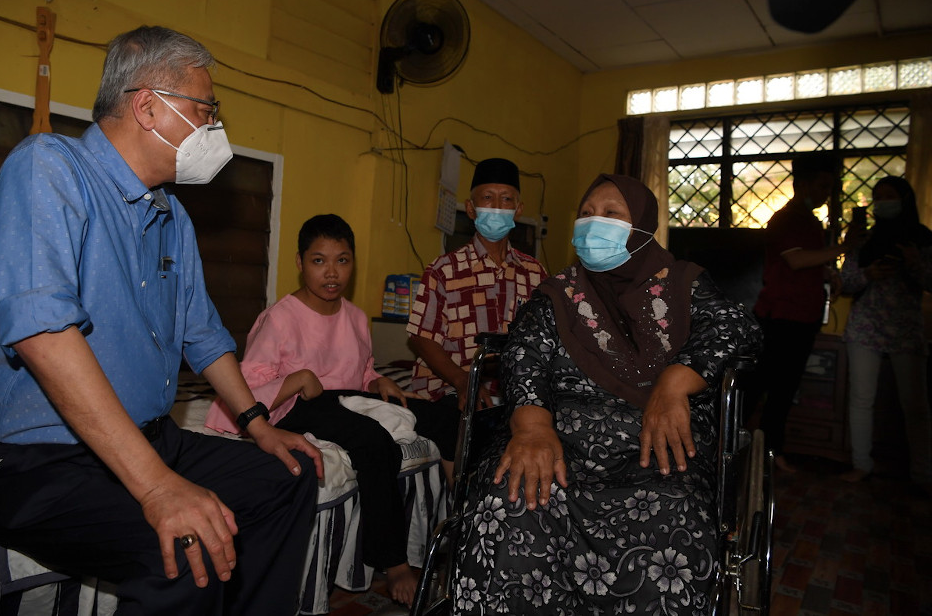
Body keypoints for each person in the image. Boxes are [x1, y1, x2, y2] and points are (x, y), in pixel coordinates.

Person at [0, 26, 324, 615]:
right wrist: (156, 485)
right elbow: (43, 334)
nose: (214, 128)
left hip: (146, 439)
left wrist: (259, 425)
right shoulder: (48, 169)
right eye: (205, 110)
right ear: (148, 107)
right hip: (28, 461)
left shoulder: (173, 218)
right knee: (184, 550)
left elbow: (204, 336)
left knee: (286, 479)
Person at [450, 174, 761, 615]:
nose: (594, 223)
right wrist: (533, 425)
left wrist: (674, 382)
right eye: (587, 213)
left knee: (674, 514)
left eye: (611, 214)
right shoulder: (557, 294)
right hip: (561, 444)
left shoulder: (684, 284)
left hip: (657, 451)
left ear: (642, 229)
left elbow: (736, 328)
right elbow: (524, 354)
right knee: (510, 495)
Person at [204, 214, 458, 606]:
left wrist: (377, 382)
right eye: (319, 260)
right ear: (299, 263)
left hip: (346, 397)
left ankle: (462, 517)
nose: (332, 272)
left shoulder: (355, 317)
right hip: (296, 406)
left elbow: (360, 369)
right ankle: (393, 563)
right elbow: (247, 386)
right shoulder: (281, 318)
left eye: (342, 260)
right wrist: (298, 378)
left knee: (447, 416)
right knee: (373, 442)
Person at [407, 157, 547, 409]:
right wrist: (464, 381)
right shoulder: (443, 270)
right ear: (471, 209)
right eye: (487, 198)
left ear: (518, 209)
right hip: (447, 392)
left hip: (510, 398)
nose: (496, 206)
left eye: (506, 199)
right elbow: (421, 337)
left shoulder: (535, 274)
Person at [751, 152, 851, 473]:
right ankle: (750, 448)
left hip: (802, 318)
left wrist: (828, 273)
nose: (826, 193)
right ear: (804, 183)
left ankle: (769, 449)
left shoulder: (810, 220)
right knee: (765, 386)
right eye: (822, 185)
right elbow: (795, 260)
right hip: (781, 318)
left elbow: (807, 261)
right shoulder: (788, 218)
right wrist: (845, 248)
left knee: (783, 387)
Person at [838, 176, 932, 489]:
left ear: (904, 199)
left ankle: (922, 474)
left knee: (916, 404)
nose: (882, 202)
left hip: (906, 329)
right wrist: (868, 273)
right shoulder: (864, 239)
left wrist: (914, 263)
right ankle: (861, 464)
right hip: (866, 326)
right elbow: (846, 282)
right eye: (878, 197)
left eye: (889, 196)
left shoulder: (921, 238)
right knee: (861, 399)